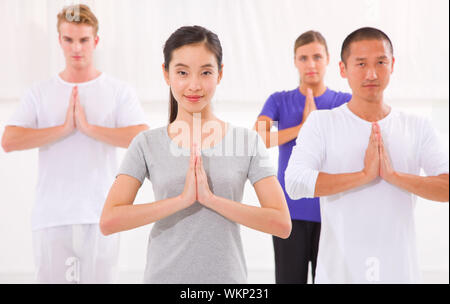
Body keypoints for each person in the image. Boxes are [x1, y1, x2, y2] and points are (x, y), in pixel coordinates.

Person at [100, 25, 292, 284]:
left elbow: (281, 223)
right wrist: (181, 200)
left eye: (205, 72)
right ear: (166, 74)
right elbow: (110, 220)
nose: (194, 85)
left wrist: (211, 200)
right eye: (182, 72)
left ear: (220, 74)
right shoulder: (146, 143)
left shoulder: (247, 141)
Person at [285, 27, 449, 283]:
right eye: (361, 64)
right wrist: (363, 175)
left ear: (392, 65)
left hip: (399, 273)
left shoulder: (417, 126)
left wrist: (393, 176)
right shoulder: (321, 123)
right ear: (343, 69)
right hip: (339, 274)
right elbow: (294, 182)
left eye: (380, 62)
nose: (371, 74)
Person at [1, 4, 149, 283]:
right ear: (59, 40)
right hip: (52, 217)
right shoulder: (40, 92)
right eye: (68, 40)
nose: (76, 48)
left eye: (83, 40)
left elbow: (140, 135)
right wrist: (64, 128)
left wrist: (90, 128)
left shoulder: (118, 91)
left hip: (100, 215)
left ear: (95, 41)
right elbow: (9, 140)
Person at [254, 31, 351, 284]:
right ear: (295, 61)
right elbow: (259, 138)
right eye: (304, 58)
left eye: (317, 57)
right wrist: (304, 126)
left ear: (328, 59)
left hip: (332, 211)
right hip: (289, 212)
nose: (311, 64)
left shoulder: (344, 101)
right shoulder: (279, 100)